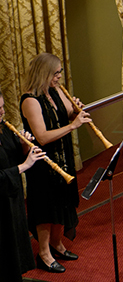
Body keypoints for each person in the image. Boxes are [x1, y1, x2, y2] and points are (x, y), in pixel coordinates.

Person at [19, 53, 87, 273]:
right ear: (44, 73)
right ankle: (44, 254)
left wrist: (74, 110)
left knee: (62, 203)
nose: (59, 76)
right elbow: (42, 136)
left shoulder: (55, 91)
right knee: (46, 208)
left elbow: (65, 114)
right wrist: (73, 126)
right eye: (56, 73)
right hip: (43, 162)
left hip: (62, 157)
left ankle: (58, 245)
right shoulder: (30, 100)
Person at [0, 91, 44, 279]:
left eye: (2, 107)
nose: (2, 112)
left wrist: (24, 146)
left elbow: (13, 157)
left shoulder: (4, 128)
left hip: (11, 197)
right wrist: (24, 165)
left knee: (15, 243)